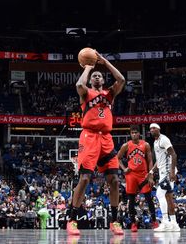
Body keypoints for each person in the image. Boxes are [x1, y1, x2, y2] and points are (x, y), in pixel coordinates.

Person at [66, 51, 125, 237]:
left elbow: (121, 79)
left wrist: (105, 61)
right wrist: (89, 67)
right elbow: (78, 84)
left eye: (100, 75)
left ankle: (114, 221)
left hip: (106, 138)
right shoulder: (86, 93)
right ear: (91, 81)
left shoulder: (110, 93)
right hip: (89, 137)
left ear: (103, 80)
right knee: (84, 179)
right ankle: (72, 220)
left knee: (114, 180)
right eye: (94, 76)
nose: (97, 77)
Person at [117, 125, 157, 231]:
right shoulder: (126, 145)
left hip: (143, 174)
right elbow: (117, 158)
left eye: (136, 132)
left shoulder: (146, 145)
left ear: (139, 134)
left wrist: (151, 174)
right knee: (131, 199)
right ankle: (133, 223)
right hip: (131, 174)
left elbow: (150, 160)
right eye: (132, 133)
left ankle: (154, 221)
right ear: (130, 134)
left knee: (149, 198)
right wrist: (124, 169)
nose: (134, 134)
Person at [150, 123, 180, 232]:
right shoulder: (155, 142)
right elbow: (159, 160)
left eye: (154, 128)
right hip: (163, 171)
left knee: (159, 194)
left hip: (167, 172)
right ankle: (174, 224)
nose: (152, 130)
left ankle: (165, 222)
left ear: (159, 129)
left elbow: (174, 154)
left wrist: (172, 171)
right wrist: (151, 171)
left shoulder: (164, 139)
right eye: (150, 129)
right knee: (168, 197)